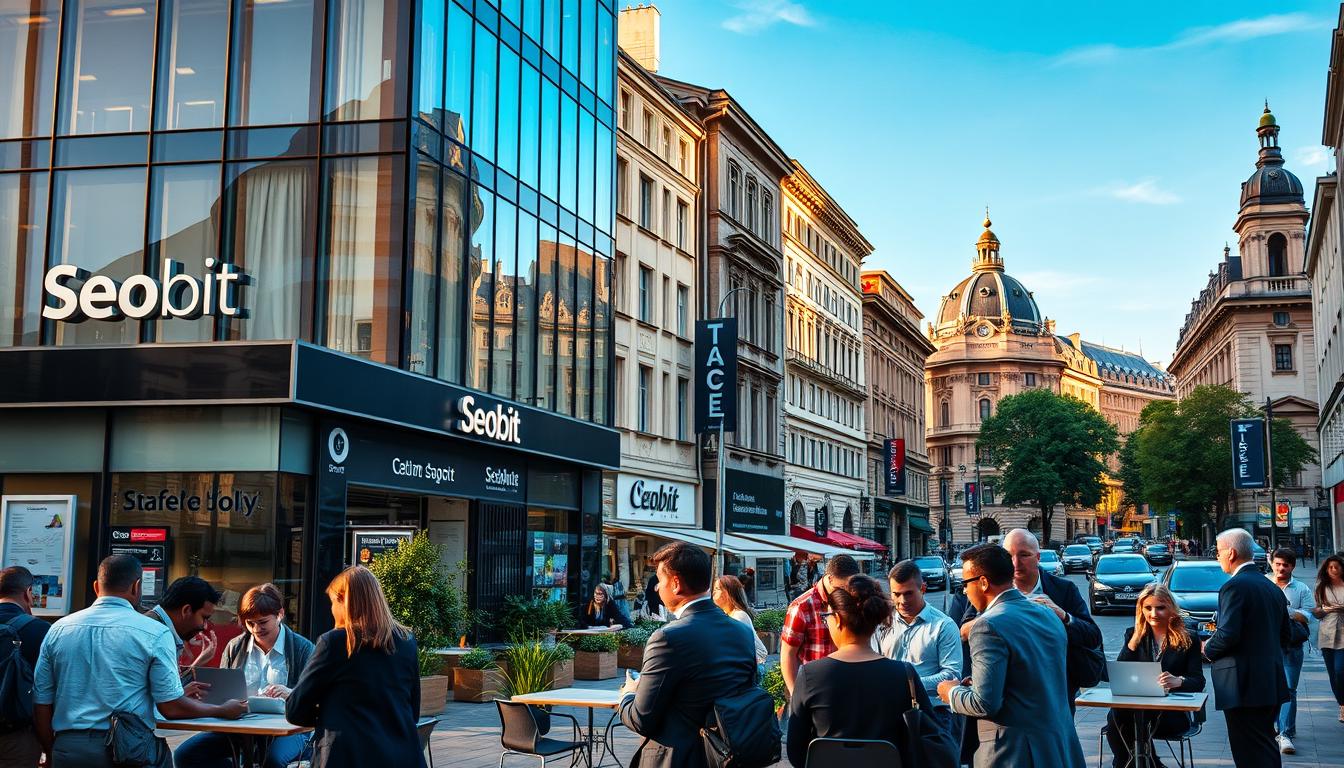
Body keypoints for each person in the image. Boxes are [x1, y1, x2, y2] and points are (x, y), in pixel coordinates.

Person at [32, 555, 245, 768]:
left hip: (68, 749)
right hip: (125, 750)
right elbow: (171, 707)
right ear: (137, 587)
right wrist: (221, 709)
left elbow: (41, 702)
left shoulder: (57, 630)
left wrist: (51, 751)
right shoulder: (155, 632)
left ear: (97, 587)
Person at [937, 544, 1084, 768]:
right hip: (1060, 746)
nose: (965, 591)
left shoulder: (986, 625)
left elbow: (984, 704)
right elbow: (1032, 675)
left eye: (966, 584)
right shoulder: (1048, 613)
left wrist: (950, 692)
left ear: (983, 582)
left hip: (1014, 754)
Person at [618, 542, 756, 768]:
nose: (656, 588)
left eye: (659, 580)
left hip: (680, 758)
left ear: (675, 584)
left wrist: (628, 695)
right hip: (730, 754)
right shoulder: (741, 630)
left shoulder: (667, 638)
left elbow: (640, 719)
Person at [786, 574, 934, 767]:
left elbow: (796, 751)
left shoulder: (810, 675)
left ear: (837, 619)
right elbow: (926, 737)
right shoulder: (904, 674)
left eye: (827, 616)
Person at [286, 566, 423, 768]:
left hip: (347, 755)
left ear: (344, 602)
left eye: (333, 602)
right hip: (402, 754)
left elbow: (295, 709)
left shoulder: (334, 642)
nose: (332, 610)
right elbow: (414, 710)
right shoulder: (406, 641)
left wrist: (328, 714)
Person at [174, 583, 315, 768]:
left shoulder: (302, 648)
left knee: (273, 760)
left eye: (263, 622)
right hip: (241, 725)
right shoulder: (236, 646)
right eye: (250, 623)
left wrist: (291, 692)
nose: (256, 629)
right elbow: (222, 692)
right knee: (185, 755)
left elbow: (316, 697)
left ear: (280, 614)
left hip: (289, 727)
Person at [1202, 528, 1291, 768]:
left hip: (1242, 684)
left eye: (1218, 552)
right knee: (1264, 744)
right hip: (1270, 679)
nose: (1217, 557)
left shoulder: (1234, 586)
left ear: (1231, 553)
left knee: (1247, 751)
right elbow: (1286, 634)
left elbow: (1228, 634)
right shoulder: (1271, 586)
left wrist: (1206, 648)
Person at [1105, 584, 1205, 767]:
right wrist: (1133, 642)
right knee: (1116, 715)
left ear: (1171, 609)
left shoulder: (1188, 638)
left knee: (1120, 721)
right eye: (1148, 608)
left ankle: (1132, 764)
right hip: (1135, 711)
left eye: (1160, 608)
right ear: (1141, 610)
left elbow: (1198, 681)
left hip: (1170, 714)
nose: (1153, 614)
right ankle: (1145, 763)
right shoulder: (1133, 635)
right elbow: (1119, 672)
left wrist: (1179, 681)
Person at [1000, 529, 1103, 707]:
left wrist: (1064, 616)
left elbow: (1093, 636)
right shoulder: (994, 589)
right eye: (1009, 556)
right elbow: (964, 631)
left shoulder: (1064, 590)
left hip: (1058, 690)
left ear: (1038, 557)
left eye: (1024, 555)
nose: (1016, 563)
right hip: (1009, 691)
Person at [873, 559, 961, 734]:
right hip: (891, 711)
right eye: (896, 594)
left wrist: (908, 683)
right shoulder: (883, 623)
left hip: (933, 714)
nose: (902, 600)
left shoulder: (944, 625)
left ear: (923, 589)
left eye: (908, 593)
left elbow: (952, 674)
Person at [780, 554, 861, 694]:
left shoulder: (852, 599)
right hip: (814, 689)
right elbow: (788, 654)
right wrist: (795, 696)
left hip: (847, 688)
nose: (845, 593)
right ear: (829, 578)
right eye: (841, 588)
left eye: (849, 588)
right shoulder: (801, 606)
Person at [0, 566, 50, 768]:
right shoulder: (40, 630)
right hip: (17, 734)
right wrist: (48, 745)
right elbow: (46, 691)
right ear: (28, 592)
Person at [1268, 546, 1315, 754]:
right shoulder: (1264, 584)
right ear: (1271, 564)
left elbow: (1309, 616)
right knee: (1270, 687)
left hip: (1292, 645)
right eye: (1277, 564)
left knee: (1289, 689)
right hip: (1268, 644)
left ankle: (1284, 732)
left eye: (1285, 565)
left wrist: (1288, 612)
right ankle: (1283, 728)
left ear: (1292, 567)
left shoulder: (1301, 588)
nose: (1281, 568)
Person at [145, 576, 222, 672]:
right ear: (186, 610)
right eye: (204, 618)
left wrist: (198, 662)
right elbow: (166, 686)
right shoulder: (160, 636)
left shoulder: (154, 627)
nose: (205, 626)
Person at [1313, 553, 1344, 724]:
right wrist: (1325, 609)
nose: (1333, 570)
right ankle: (1342, 704)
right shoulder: (1322, 588)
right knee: (1333, 673)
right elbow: (1316, 613)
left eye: (1336, 566)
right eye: (1330, 567)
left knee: (1340, 670)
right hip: (1327, 633)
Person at [712, 575, 768, 664]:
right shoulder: (729, 614)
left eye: (717, 589)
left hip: (750, 668)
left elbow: (759, 652)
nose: (713, 592)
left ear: (727, 593)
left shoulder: (739, 616)